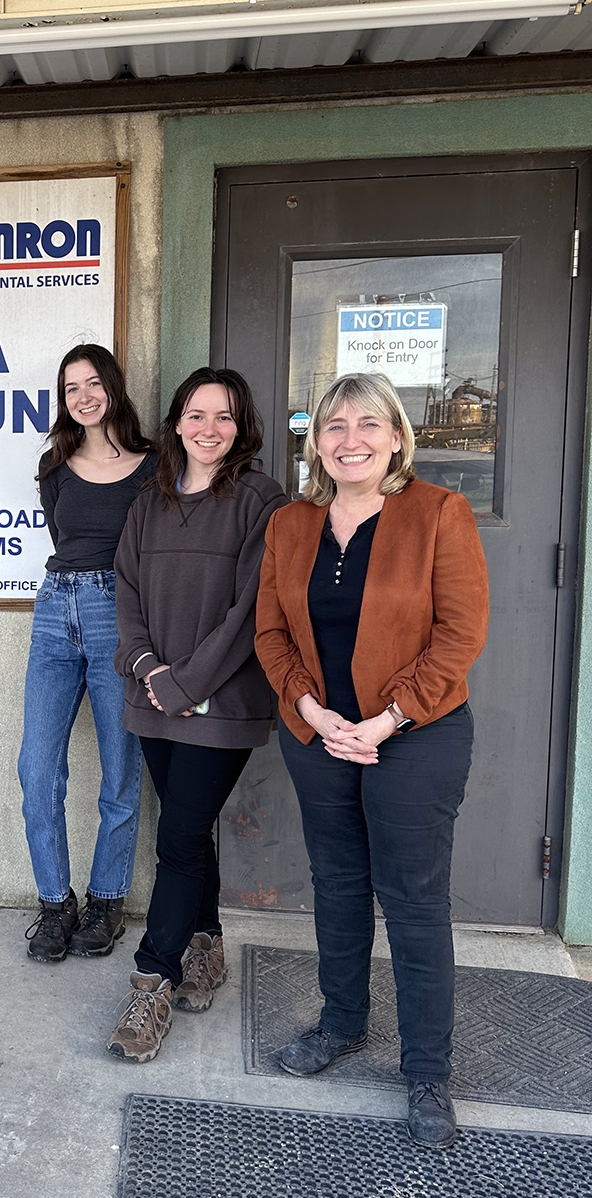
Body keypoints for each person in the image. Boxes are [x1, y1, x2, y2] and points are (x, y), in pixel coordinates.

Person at [255, 372, 488, 1149]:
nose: (349, 439)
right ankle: (343, 1023)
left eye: (367, 424)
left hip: (416, 737)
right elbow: (271, 636)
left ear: (396, 437)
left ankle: (427, 1072)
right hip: (321, 737)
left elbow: (459, 635)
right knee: (339, 883)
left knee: (415, 902)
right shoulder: (291, 526)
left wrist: (387, 718)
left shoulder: (438, 514)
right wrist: (314, 713)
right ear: (316, 442)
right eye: (334, 426)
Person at [105, 367, 285, 1061]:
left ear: (242, 429)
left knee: (177, 837)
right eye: (198, 415)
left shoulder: (259, 502)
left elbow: (251, 614)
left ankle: (154, 977)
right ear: (177, 421)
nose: (210, 429)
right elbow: (125, 588)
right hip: (152, 697)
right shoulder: (149, 501)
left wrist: (186, 685)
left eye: (226, 417)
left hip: (221, 707)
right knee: (190, 829)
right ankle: (205, 944)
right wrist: (150, 670)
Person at [19, 344, 156, 962]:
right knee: (37, 768)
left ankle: (106, 902)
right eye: (71, 387)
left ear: (113, 389)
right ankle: (55, 903)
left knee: (120, 772)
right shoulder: (56, 465)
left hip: (117, 616)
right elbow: (62, 538)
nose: (83, 396)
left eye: (93, 383)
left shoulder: (155, 466)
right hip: (54, 610)